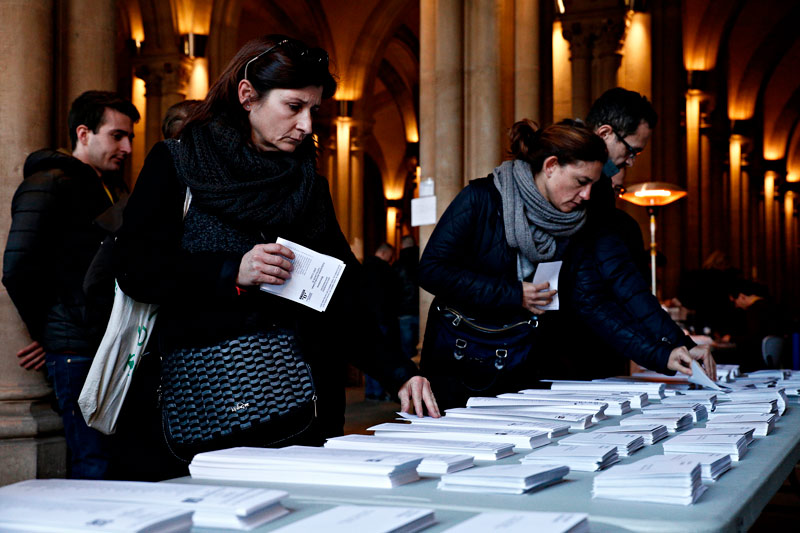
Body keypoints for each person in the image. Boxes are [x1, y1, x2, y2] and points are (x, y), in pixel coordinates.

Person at [112, 35, 439, 465]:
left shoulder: (309, 184)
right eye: (293, 107)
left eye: (313, 110)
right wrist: (233, 270)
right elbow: (135, 269)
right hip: (209, 398)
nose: (306, 125)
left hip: (306, 405)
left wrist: (400, 373)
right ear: (248, 96)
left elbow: (340, 294)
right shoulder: (177, 163)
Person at [418, 119, 608, 410]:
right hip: (461, 366)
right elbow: (430, 270)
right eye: (581, 182)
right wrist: (514, 294)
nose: (587, 195)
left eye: (592, 185)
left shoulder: (573, 222)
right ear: (551, 166)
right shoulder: (480, 199)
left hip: (526, 370)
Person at [2, 90, 139, 479]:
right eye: (117, 136)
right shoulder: (48, 182)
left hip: (110, 341)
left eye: (128, 137)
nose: (127, 147)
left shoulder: (112, 187)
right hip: (74, 348)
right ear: (84, 133)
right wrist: (47, 333)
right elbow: (17, 268)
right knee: (93, 463)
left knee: (118, 464)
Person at [559, 87, 716, 381]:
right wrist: (663, 352)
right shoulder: (581, 187)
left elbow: (623, 280)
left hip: (591, 341)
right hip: (554, 346)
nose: (631, 162)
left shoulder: (602, 194)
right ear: (605, 133)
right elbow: (590, 296)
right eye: (631, 150)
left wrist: (677, 343)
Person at [362, 242, 403, 401]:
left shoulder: (362, 268)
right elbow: (394, 295)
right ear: (385, 254)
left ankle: (370, 391)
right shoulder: (386, 270)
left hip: (365, 318)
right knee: (383, 353)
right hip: (383, 318)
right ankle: (380, 392)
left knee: (367, 354)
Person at [394, 235, 421, 360]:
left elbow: (392, 289)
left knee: (407, 351)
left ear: (402, 246)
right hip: (423, 311)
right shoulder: (422, 260)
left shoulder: (398, 265)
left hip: (404, 312)